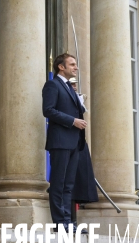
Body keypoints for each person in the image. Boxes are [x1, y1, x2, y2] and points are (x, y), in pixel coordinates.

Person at [42, 53, 86, 232]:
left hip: (74, 142)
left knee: (68, 185)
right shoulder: (53, 84)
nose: (76, 67)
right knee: (58, 184)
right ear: (61, 66)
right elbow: (48, 110)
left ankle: (68, 222)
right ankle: (60, 223)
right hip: (60, 141)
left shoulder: (69, 87)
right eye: (72, 64)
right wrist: (72, 121)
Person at [67, 78, 98, 221]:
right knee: (69, 184)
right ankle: (68, 220)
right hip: (68, 143)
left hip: (79, 144)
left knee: (79, 183)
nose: (74, 87)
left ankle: (74, 220)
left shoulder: (76, 99)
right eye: (71, 84)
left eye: (75, 84)